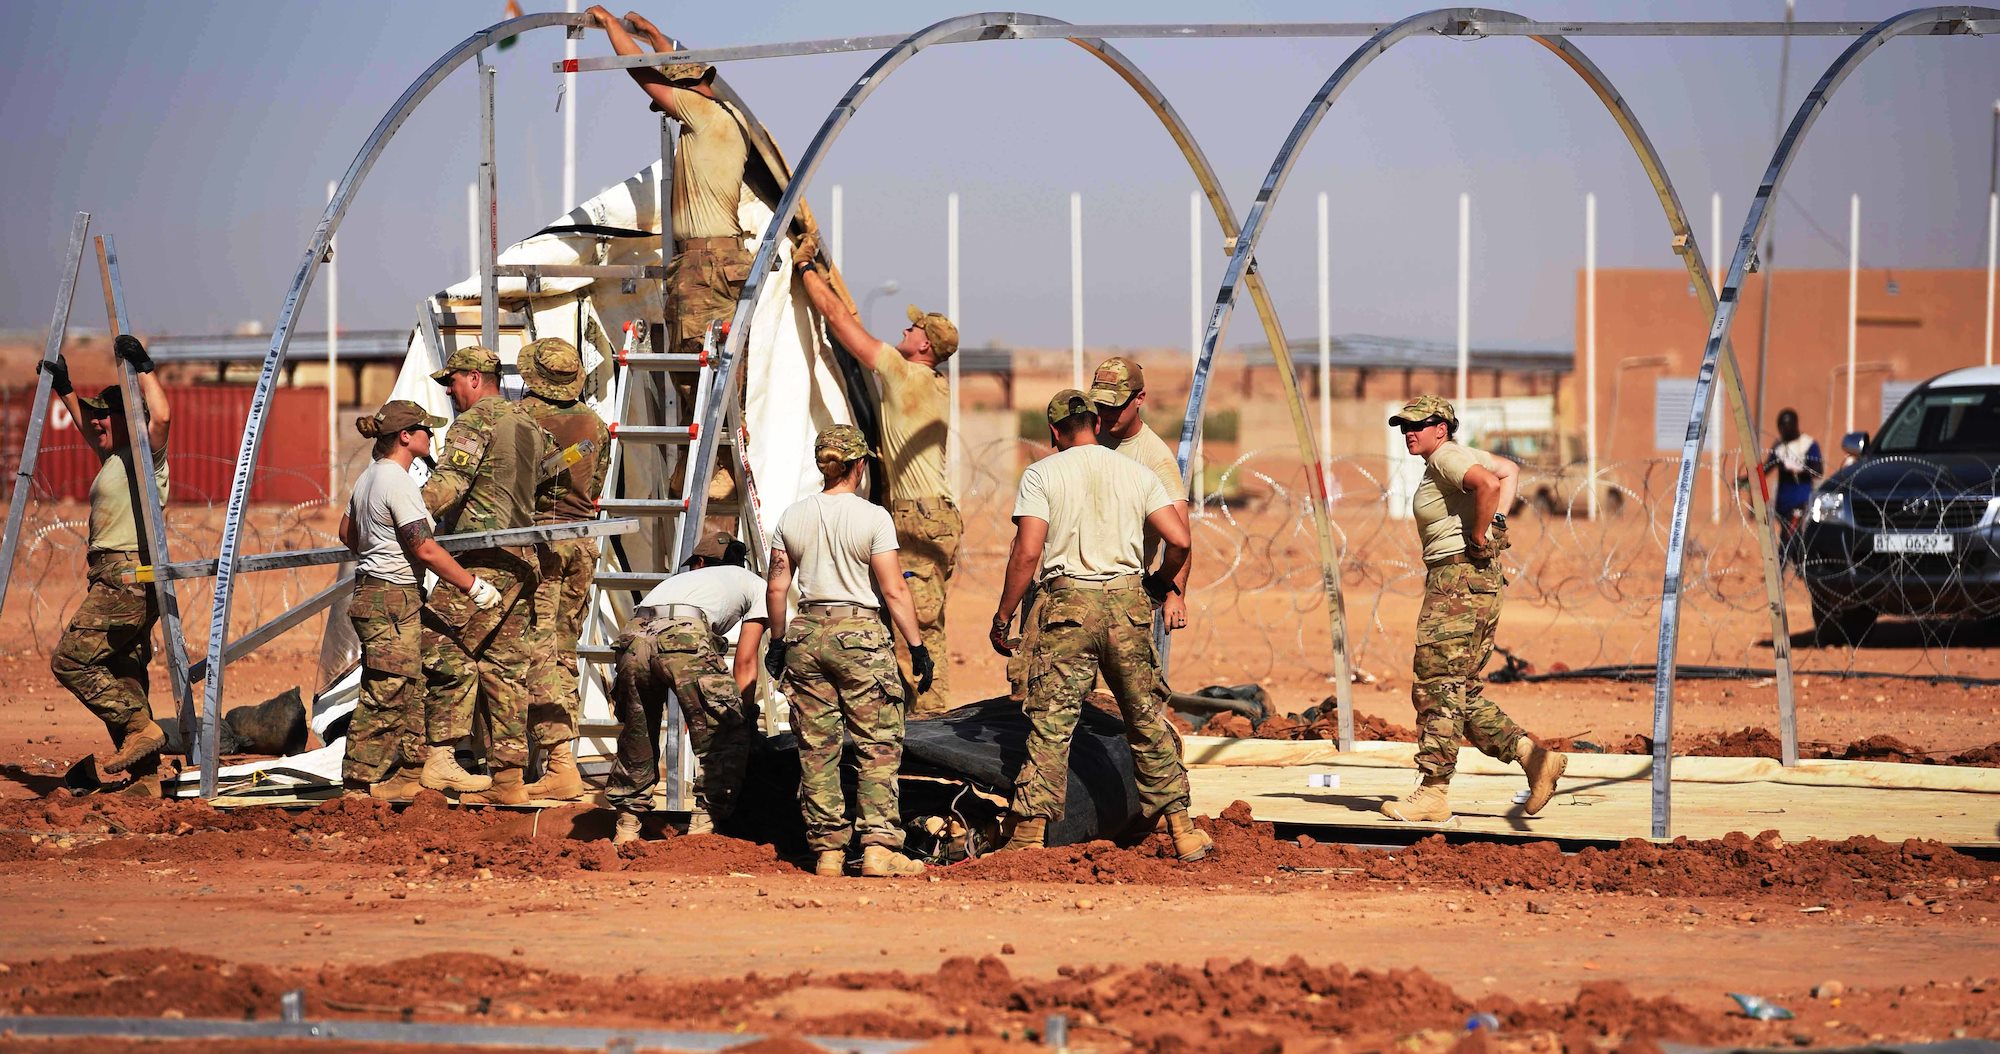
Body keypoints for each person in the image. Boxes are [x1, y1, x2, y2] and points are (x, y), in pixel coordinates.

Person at [987, 390, 1211, 862]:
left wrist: (1004, 614)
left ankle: (1028, 836)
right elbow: (1180, 539)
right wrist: (1158, 583)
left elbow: (1027, 552)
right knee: (1145, 718)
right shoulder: (1137, 473)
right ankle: (1183, 830)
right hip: (1127, 604)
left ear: (1054, 432)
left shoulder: (1042, 474)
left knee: (1051, 723)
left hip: (1067, 605)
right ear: (1095, 422)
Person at [792, 242, 962, 716]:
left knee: (918, 622)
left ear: (925, 345)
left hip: (919, 518)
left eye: (913, 327)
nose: (904, 329)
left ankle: (928, 718)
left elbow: (845, 328)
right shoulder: (929, 381)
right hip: (929, 514)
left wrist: (807, 270)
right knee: (916, 617)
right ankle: (922, 714)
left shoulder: (906, 374)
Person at [1383, 395, 1565, 823]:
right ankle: (1534, 758)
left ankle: (1433, 792)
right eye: (1403, 427)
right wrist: (1498, 524)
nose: (1408, 433)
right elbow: (1509, 470)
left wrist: (1482, 534)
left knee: (1437, 688)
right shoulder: (1453, 455)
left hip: (1457, 582)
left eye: (1417, 426)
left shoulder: (1447, 457)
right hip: (1472, 583)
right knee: (1459, 688)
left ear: (1441, 428)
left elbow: (1489, 483)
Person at [764, 425, 932, 878]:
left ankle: (828, 853)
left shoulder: (792, 516)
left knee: (817, 748)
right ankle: (878, 848)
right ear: (860, 465)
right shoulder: (873, 518)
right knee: (877, 745)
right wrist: (917, 648)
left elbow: (778, 586)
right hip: (859, 634)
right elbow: (894, 589)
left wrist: (778, 643)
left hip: (806, 633)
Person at [339, 400, 500, 801]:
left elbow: (347, 532)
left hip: (392, 597)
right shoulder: (396, 481)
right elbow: (424, 548)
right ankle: (357, 786)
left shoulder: (370, 477)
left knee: (450, 668)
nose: (433, 436)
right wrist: (473, 586)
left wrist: (377, 545)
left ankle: (428, 764)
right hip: (389, 599)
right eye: (427, 430)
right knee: (387, 690)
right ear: (406, 436)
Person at [419, 346, 559, 804]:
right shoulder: (529, 423)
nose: (449, 391)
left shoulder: (474, 422)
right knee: (505, 668)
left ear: (476, 379)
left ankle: (439, 756)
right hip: (522, 560)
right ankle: (507, 780)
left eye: (452, 381)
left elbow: (449, 485)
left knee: (437, 647)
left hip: (480, 557)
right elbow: (550, 472)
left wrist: (400, 515)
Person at [41, 337, 172, 795]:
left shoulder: (143, 456)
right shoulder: (113, 459)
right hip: (115, 577)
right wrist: (65, 389)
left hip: (128, 578)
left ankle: (142, 727)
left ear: (127, 420)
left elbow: (162, 417)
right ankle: (147, 778)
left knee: (71, 660)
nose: (96, 421)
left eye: (106, 414)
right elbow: (84, 424)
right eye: (94, 413)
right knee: (124, 673)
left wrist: (144, 368)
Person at [587, 6, 752, 356]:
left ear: (689, 88)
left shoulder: (702, 113)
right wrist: (651, 32)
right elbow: (680, 66)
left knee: (697, 373)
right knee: (725, 376)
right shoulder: (732, 116)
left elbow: (641, 71)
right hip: (725, 261)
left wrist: (610, 24)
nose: (670, 114)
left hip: (704, 266)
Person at [605, 530, 767, 845]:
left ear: (700, 562)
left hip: (634, 634)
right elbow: (745, 661)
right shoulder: (753, 583)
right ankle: (702, 830)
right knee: (725, 734)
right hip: (685, 633)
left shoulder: (674, 583)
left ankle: (626, 827)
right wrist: (741, 717)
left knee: (638, 734)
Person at [516, 338, 611, 801]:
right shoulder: (594, 423)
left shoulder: (523, 420)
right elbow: (596, 479)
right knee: (563, 650)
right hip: (581, 543)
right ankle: (555, 758)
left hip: (541, 544)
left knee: (538, 653)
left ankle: (558, 761)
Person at [1087, 356, 1192, 632]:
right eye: (1100, 405)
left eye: (1116, 405)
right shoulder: (1086, 439)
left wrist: (1173, 593)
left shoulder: (1155, 458)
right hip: (1079, 587)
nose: (1107, 413)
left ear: (1140, 398)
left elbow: (1179, 536)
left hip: (1126, 593)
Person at [1762, 408, 1823, 559]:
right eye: (1780, 427)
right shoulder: (1779, 447)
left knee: (1787, 539)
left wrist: (1798, 469)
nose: (1783, 430)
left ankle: (1780, 572)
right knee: (1795, 539)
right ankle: (1802, 568)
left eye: (1786, 426)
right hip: (1783, 504)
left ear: (1795, 424)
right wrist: (1745, 479)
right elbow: (1767, 468)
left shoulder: (1808, 445)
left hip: (1800, 500)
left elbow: (1818, 470)